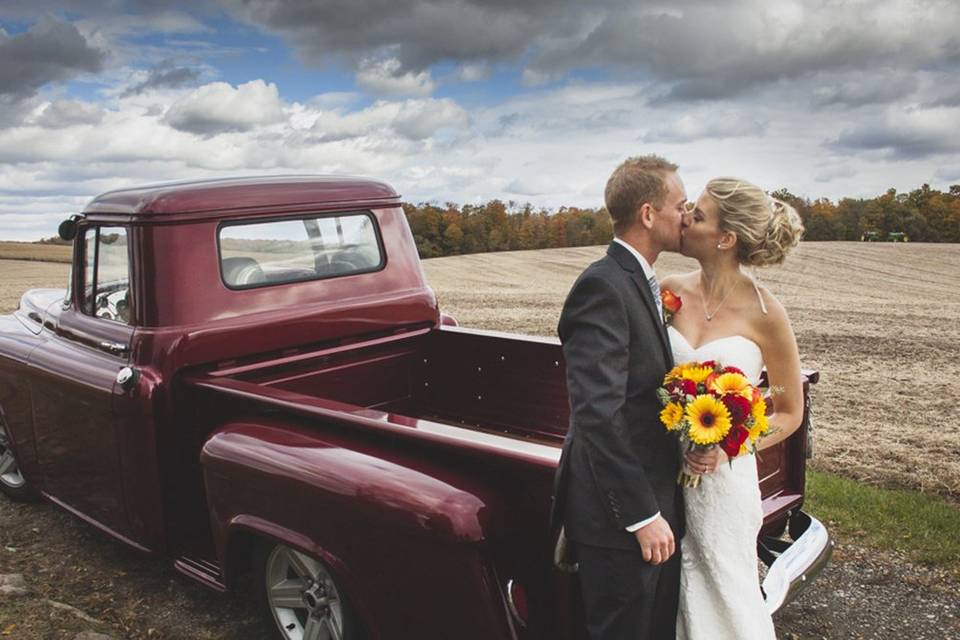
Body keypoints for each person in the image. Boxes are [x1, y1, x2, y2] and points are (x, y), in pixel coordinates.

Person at [660, 177, 806, 640]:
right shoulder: (668, 291)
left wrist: (727, 447)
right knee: (666, 592)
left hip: (721, 483)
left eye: (697, 215)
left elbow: (787, 411)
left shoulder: (767, 313)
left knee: (722, 591)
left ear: (726, 239)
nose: (684, 218)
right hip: (660, 470)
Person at [552, 155, 689, 640]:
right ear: (649, 214)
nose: (686, 216)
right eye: (680, 205)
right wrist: (641, 515)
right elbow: (598, 414)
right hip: (619, 521)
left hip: (655, 504)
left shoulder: (642, 281)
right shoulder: (602, 285)